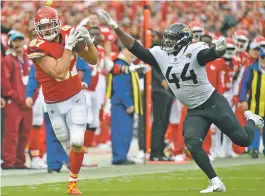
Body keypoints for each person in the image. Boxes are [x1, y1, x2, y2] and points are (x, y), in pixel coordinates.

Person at [100, 9, 264, 193]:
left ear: (183, 40)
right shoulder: (161, 55)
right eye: (167, 38)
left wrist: (219, 50)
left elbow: (208, 55)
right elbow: (135, 47)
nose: (167, 42)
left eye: (171, 39)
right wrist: (116, 28)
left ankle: (252, 120)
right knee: (192, 143)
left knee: (242, 140)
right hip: (195, 109)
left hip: (213, 103)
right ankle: (215, 181)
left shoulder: (194, 50)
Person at [27, 6, 98, 195]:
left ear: (57, 24)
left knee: (77, 139)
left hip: (75, 96)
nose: (48, 31)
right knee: (68, 144)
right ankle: (74, 166)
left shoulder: (69, 34)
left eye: (51, 26)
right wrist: (68, 48)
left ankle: (72, 183)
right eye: (44, 27)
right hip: (52, 103)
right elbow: (58, 73)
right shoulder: (35, 46)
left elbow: (93, 60)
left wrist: (89, 42)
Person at [1, 31, 32, 169]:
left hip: (27, 102)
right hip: (14, 102)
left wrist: (32, 98)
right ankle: (9, 161)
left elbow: (33, 80)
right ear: (10, 43)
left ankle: (20, 161)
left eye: (20, 40)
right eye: (15, 41)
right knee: (11, 134)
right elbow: (5, 84)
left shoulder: (28, 60)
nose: (18, 43)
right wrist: (19, 99)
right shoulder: (7, 61)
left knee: (24, 134)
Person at [240, 48, 265, 158]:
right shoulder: (251, 69)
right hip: (254, 103)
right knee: (254, 125)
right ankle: (253, 148)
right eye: (263, 57)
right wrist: (243, 99)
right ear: (259, 57)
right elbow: (244, 85)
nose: (264, 60)